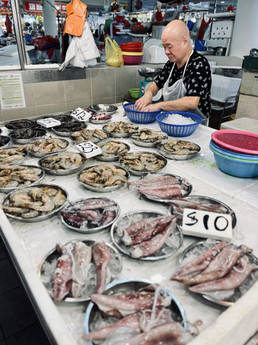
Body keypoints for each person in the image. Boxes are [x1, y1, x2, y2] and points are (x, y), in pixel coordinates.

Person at [135, 19, 211, 120]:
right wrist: (148, 94)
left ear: (185, 41)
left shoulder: (199, 64)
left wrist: (159, 105)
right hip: (172, 120)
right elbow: (156, 84)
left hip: (195, 124)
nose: (166, 52)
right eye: (164, 47)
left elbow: (192, 101)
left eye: (169, 47)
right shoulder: (172, 64)